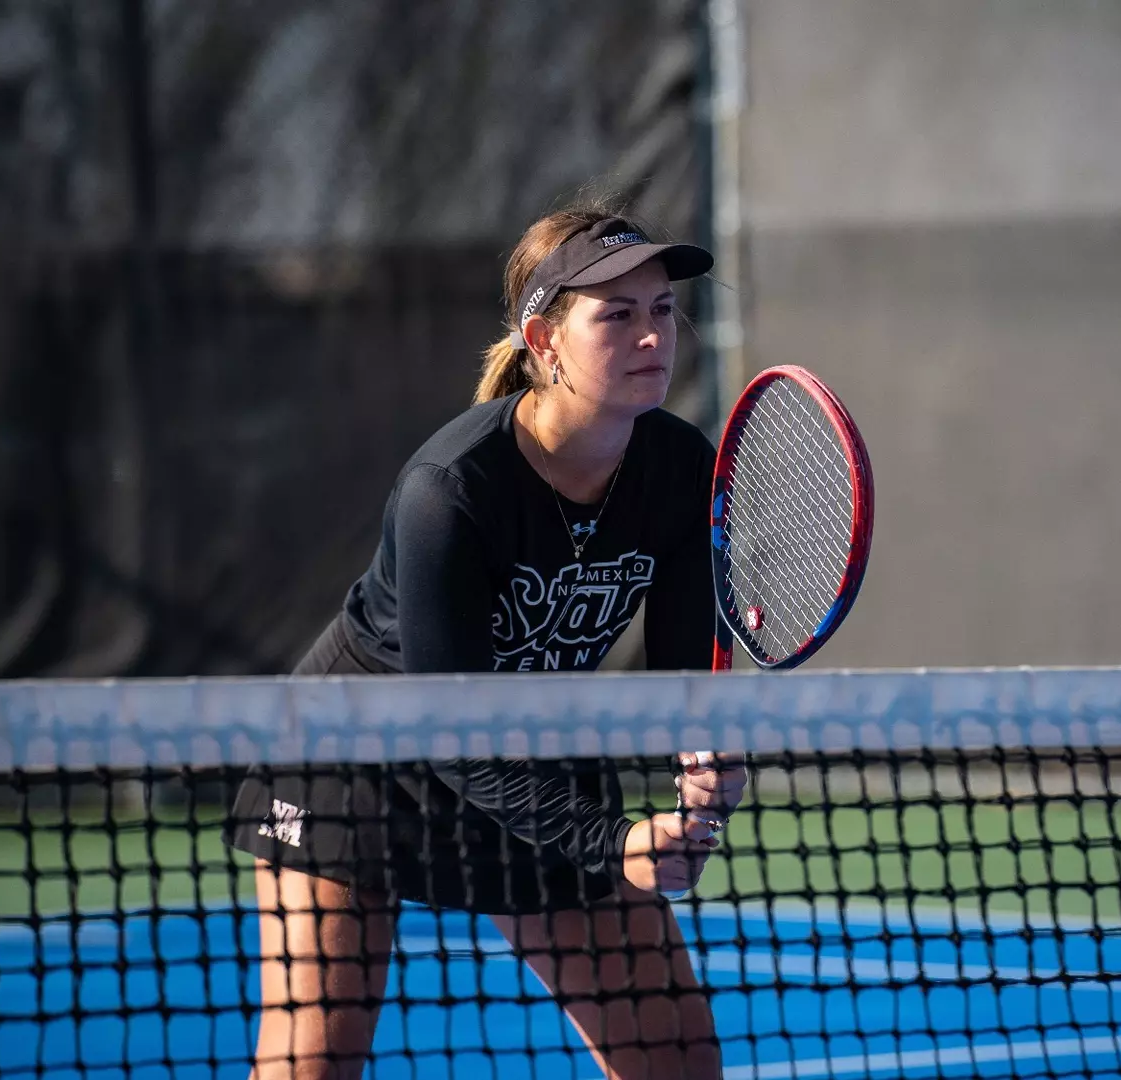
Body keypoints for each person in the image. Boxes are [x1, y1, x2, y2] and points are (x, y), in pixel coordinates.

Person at [225, 201, 750, 1080]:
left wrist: (708, 757)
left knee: (677, 1064)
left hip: (536, 746)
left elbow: (683, 675)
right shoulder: (450, 492)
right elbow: (453, 739)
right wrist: (613, 840)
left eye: (662, 310)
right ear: (543, 338)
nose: (653, 336)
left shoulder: (679, 467)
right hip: (353, 766)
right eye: (616, 315)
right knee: (311, 1068)